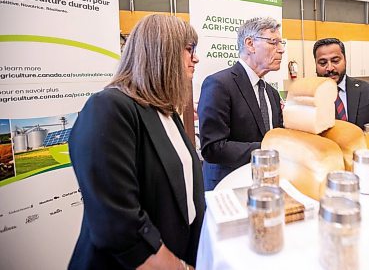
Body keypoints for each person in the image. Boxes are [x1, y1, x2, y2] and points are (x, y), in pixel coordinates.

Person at [68, 15, 205, 270]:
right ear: (160, 52)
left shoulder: (166, 112)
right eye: (188, 49)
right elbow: (119, 224)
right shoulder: (109, 108)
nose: (195, 58)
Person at [198, 17, 285, 191]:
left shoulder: (272, 93)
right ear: (250, 44)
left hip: (265, 185)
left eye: (281, 43)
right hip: (228, 188)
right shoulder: (219, 84)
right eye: (273, 42)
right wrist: (268, 149)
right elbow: (213, 148)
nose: (281, 50)